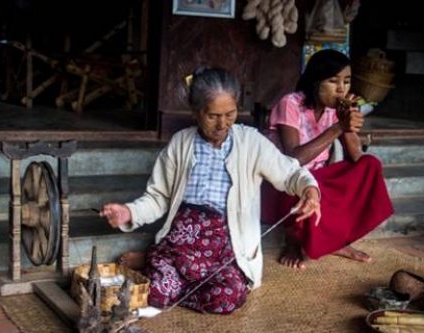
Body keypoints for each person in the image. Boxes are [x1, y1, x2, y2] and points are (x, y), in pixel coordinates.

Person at [100, 66, 321, 315]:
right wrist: (129, 212)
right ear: (196, 112)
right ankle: (160, 261)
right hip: (181, 241)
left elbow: (290, 172)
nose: (222, 124)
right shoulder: (181, 143)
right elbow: (158, 196)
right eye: (213, 115)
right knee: (159, 294)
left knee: (227, 298)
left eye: (230, 113)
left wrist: (309, 188)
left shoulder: (251, 142)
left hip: (226, 245)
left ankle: (156, 263)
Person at [261, 49, 394, 270]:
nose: (342, 88)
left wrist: (347, 120)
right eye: (333, 81)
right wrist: (337, 127)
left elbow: (356, 157)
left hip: (316, 177)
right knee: (309, 186)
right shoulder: (290, 103)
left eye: (347, 81)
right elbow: (293, 160)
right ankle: (292, 240)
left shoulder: (334, 111)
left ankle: (337, 242)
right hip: (283, 184)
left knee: (370, 165)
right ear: (315, 82)